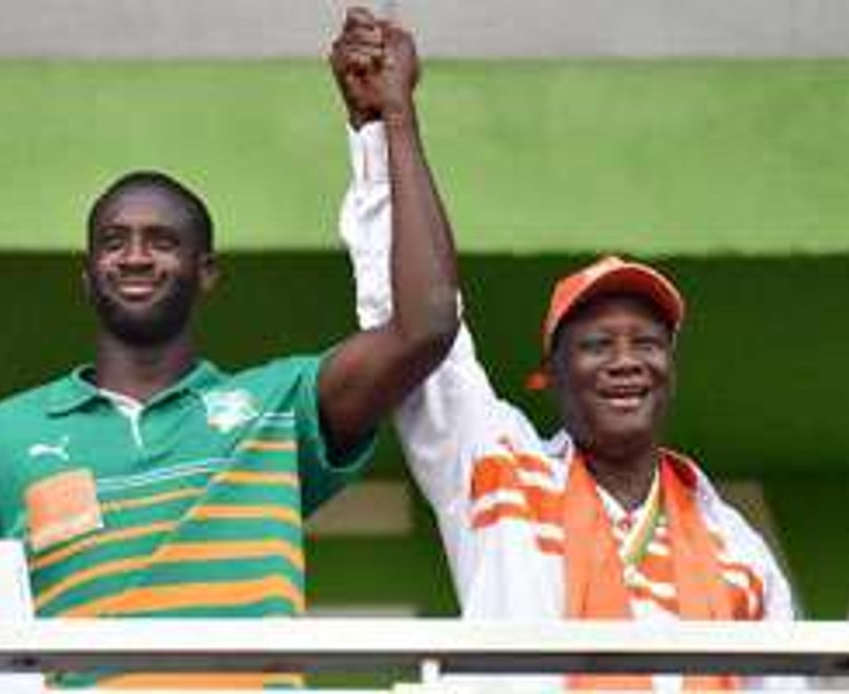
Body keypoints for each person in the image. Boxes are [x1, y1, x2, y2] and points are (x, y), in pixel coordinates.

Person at [0, 13, 458, 689]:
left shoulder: (274, 407)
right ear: (86, 273)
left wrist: (391, 121)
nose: (133, 257)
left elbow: (425, 326)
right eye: (113, 241)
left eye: (161, 240)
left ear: (206, 272)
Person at [332, 10, 798, 691]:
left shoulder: (735, 547)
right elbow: (411, 312)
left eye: (645, 342)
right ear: (548, 376)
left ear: (668, 371)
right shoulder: (499, 469)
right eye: (594, 345)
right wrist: (384, 124)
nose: (624, 360)